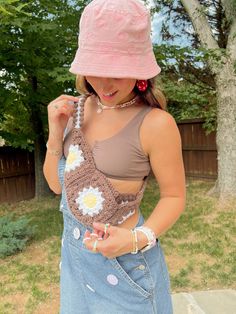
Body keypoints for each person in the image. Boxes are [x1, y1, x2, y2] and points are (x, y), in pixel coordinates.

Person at [43, 0, 186, 313]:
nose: (104, 84)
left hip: (124, 267)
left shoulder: (156, 124)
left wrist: (135, 239)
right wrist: (56, 133)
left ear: (139, 69)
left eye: (117, 72)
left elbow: (174, 197)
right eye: (96, 69)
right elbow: (57, 186)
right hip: (75, 261)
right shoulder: (77, 111)